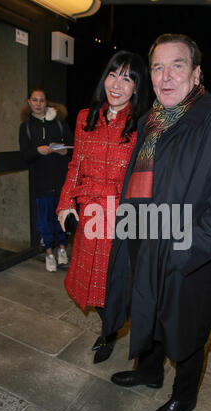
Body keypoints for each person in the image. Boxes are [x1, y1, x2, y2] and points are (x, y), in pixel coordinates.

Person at [102, 33, 211, 411]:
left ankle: (183, 396)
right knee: (147, 312)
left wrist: (181, 253)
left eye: (177, 65)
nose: (166, 76)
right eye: (157, 67)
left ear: (197, 73)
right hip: (143, 240)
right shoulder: (151, 121)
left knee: (186, 329)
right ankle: (149, 373)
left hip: (187, 254)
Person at [56, 50, 149, 364]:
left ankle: (109, 333)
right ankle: (107, 329)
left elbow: (143, 181)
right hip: (88, 215)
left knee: (115, 286)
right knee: (90, 284)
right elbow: (75, 166)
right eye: (113, 74)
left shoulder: (142, 125)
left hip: (120, 219)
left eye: (127, 78)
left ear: (137, 87)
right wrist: (65, 204)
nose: (117, 84)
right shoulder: (86, 117)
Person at [19, 88, 74, 272]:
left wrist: (65, 151)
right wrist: (37, 151)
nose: (38, 103)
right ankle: (49, 253)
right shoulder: (26, 127)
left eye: (41, 100)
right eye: (34, 100)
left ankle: (62, 249)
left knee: (62, 218)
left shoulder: (59, 123)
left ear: (46, 102)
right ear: (29, 102)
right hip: (40, 182)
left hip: (60, 180)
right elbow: (25, 155)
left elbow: (72, 147)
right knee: (44, 220)